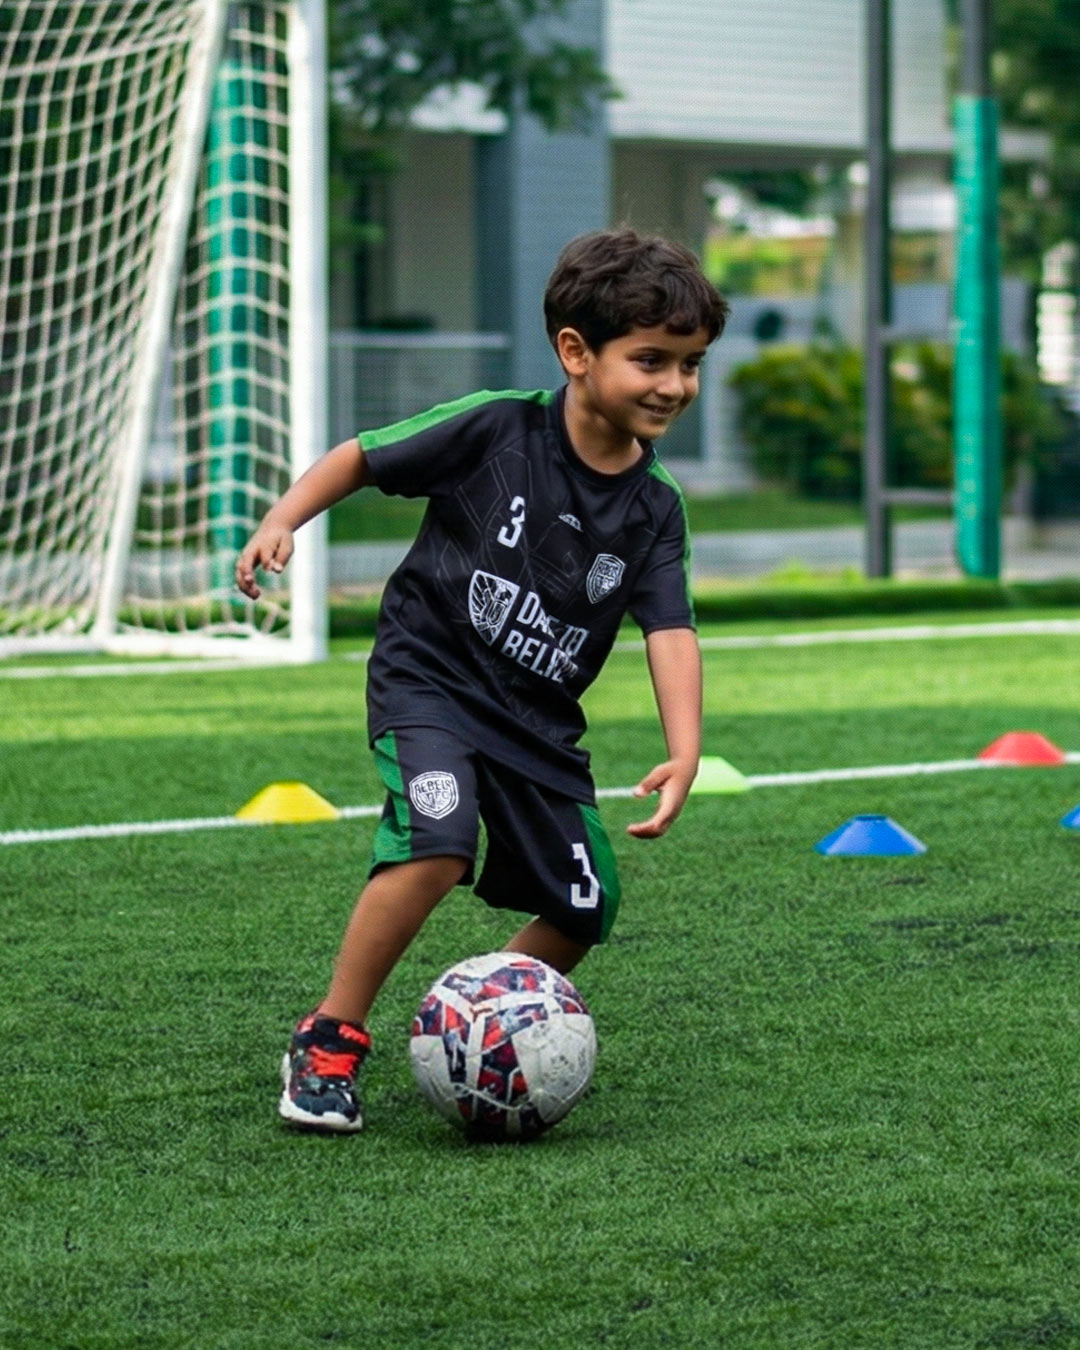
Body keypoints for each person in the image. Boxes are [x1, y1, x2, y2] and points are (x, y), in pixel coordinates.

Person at [235, 227, 729, 1132]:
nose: (674, 385)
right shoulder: (499, 428)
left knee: (586, 905)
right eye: (651, 359)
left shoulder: (656, 507)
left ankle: (479, 1020)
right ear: (576, 354)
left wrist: (685, 747)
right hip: (429, 679)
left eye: (691, 364)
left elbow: (670, 627)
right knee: (438, 838)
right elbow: (363, 456)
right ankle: (330, 1036)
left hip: (537, 724)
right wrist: (284, 519)